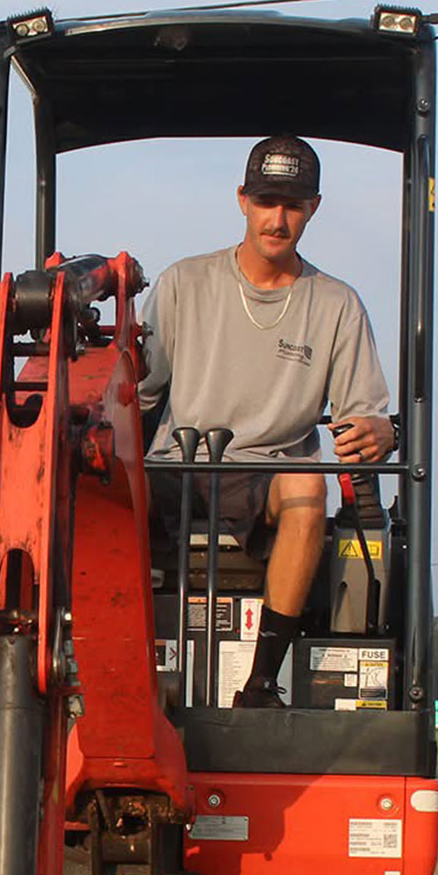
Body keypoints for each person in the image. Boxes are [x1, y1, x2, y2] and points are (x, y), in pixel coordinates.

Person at [139, 134, 396, 706]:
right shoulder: (184, 282)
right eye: (265, 202)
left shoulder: (336, 304)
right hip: (177, 462)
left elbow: (364, 414)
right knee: (106, 485)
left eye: (293, 205)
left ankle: (259, 681)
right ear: (242, 200)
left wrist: (382, 431)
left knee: (309, 487)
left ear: (313, 208)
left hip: (267, 470)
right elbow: (138, 390)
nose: (277, 220)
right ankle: (114, 667)